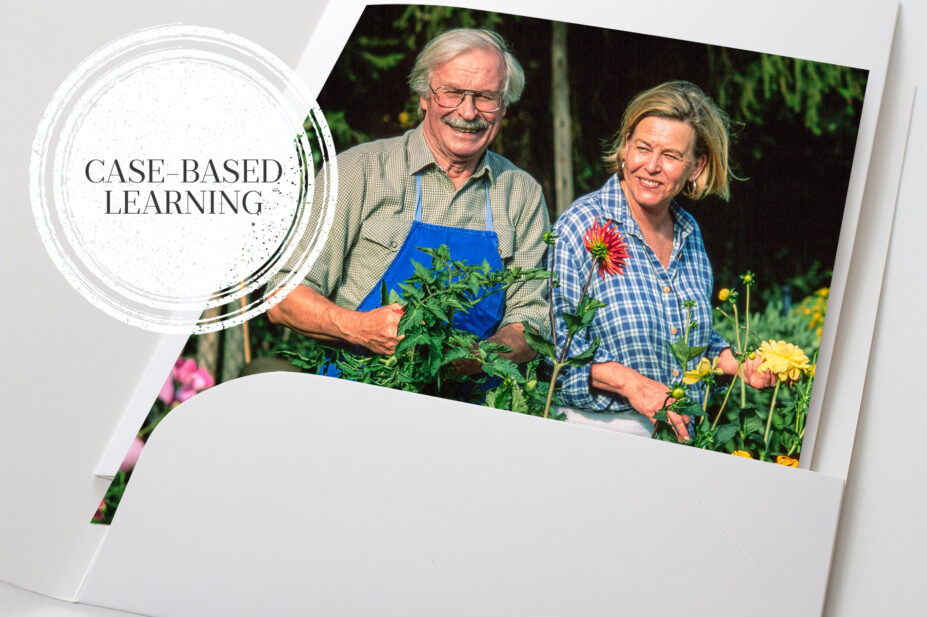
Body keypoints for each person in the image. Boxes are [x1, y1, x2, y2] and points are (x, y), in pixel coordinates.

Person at [268, 28, 550, 370]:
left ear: (504, 107)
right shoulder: (358, 171)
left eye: (486, 97)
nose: (468, 111)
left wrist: (479, 358)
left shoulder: (521, 193)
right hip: (359, 383)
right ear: (425, 96)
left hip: (473, 397)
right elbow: (283, 296)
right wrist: (359, 328)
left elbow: (530, 317)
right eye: (452, 93)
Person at [551, 81, 775, 442]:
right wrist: (632, 385)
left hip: (683, 437)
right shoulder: (581, 225)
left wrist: (735, 363)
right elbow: (554, 345)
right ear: (626, 146)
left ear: (696, 166)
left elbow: (688, 339)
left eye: (671, 155)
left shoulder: (690, 233)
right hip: (596, 433)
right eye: (643, 148)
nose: (652, 166)